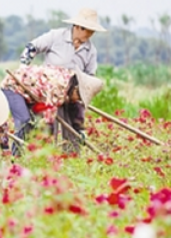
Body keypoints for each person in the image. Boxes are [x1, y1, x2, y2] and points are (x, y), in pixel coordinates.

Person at [19, 8, 106, 144]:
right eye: (87, 30)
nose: (89, 34)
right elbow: (32, 47)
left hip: (72, 96)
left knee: (74, 135)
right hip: (49, 92)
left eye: (92, 31)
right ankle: (44, 158)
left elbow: (90, 78)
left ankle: (72, 155)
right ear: (77, 26)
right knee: (46, 129)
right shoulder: (56, 36)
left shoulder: (90, 51)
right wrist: (24, 69)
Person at [1, 64, 104, 155]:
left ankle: (29, 155)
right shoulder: (59, 88)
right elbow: (48, 121)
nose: (78, 100)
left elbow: (75, 110)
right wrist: (48, 148)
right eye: (79, 97)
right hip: (13, 86)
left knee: (32, 125)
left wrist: (80, 130)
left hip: (31, 93)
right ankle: (16, 156)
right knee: (24, 120)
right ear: (76, 89)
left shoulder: (70, 81)